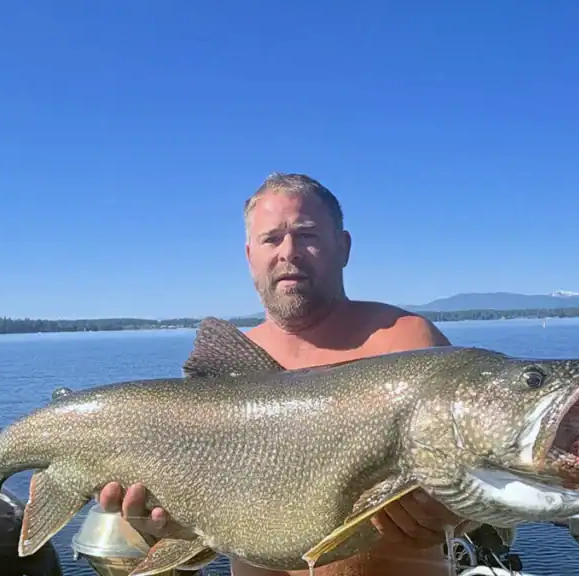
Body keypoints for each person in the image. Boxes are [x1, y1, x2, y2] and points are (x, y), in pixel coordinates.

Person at [99, 173, 464, 576]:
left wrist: (458, 515)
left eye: (307, 234)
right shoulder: (228, 372)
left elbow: (480, 482)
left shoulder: (407, 341)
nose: (289, 251)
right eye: (271, 239)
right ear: (250, 255)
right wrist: (171, 528)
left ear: (343, 247)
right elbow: (205, 518)